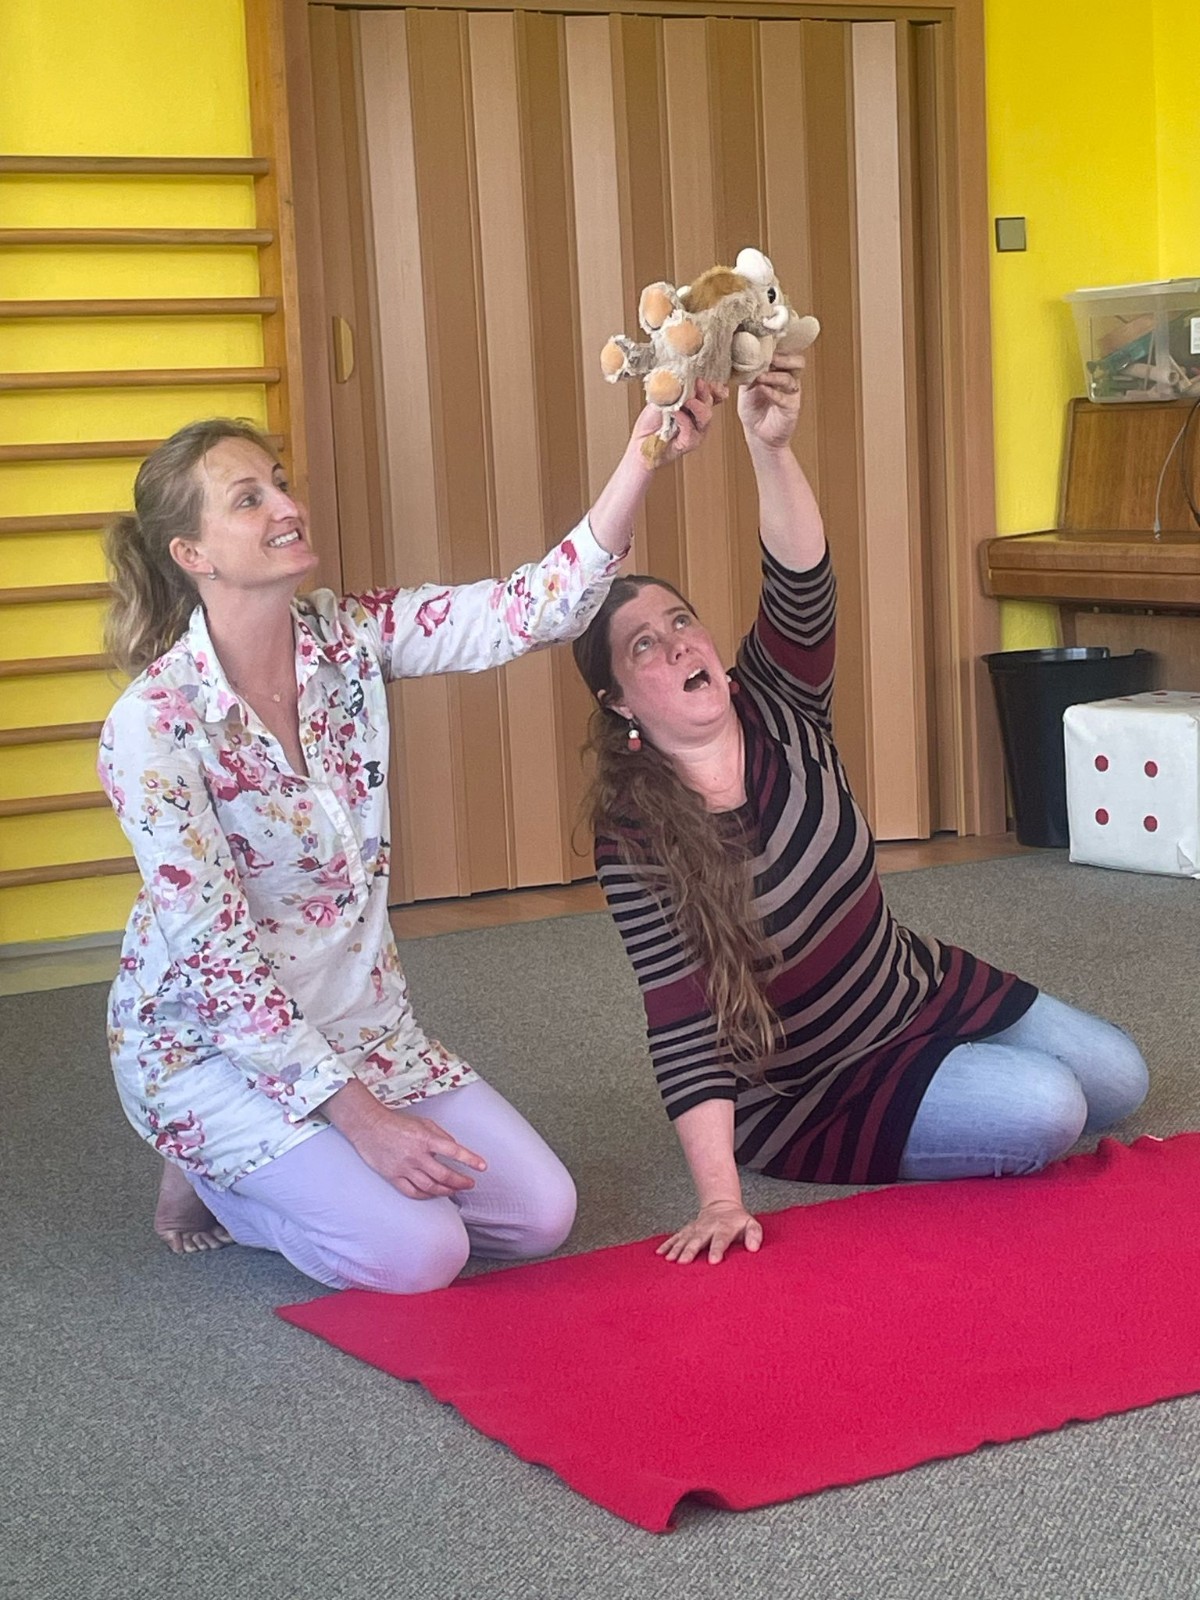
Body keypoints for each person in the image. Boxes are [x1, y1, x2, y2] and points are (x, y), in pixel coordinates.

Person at [99, 390, 720, 1293]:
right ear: (193, 555)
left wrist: (644, 457)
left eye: (279, 483)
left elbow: (529, 610)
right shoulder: (152, 726)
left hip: (362, 1025)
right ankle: (217, 1178)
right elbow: (220, 969)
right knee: (422, 1253)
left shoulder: (347, 639)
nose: (286, 506)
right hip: (209, 1048)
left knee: (539, 1217)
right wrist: (365, 1124)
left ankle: (289, 1168)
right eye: (249, 499)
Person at [572, 350, 1150, 1267]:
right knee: (1050, 1110)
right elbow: (681, 1019)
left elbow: (802, 581)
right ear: (618, 702)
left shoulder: (776, 701)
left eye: (680, 620)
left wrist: (771, 447)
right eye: (643, 645)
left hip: (910, 989)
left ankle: (957, 1078)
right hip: (811, 1088)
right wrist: (720, 1197)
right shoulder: (634, 836)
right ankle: (931, 1108)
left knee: (1122, 1079)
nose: (677, 643)